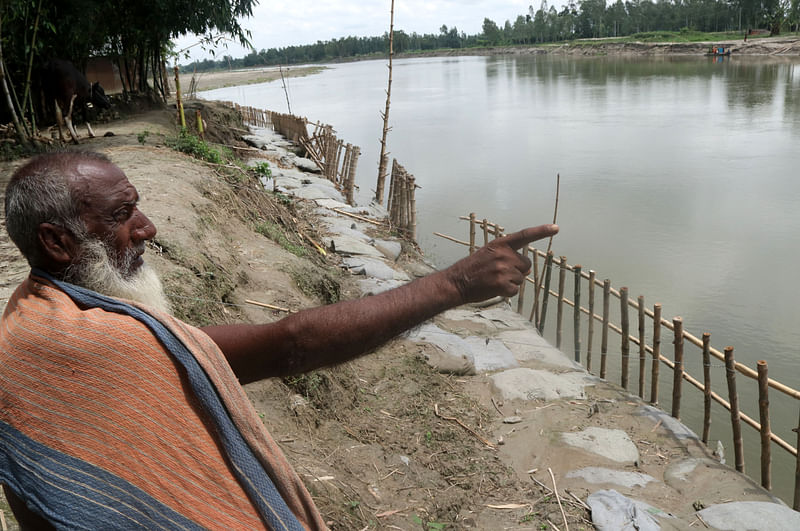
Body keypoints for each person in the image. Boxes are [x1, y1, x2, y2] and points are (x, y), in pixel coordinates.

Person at [0, 151, 558, 529]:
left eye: (139, 207)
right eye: (123, 215)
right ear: (57, 241)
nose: (147, 227)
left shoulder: (28, 317)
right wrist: (454, 283)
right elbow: (290, 343)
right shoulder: (100, 343)